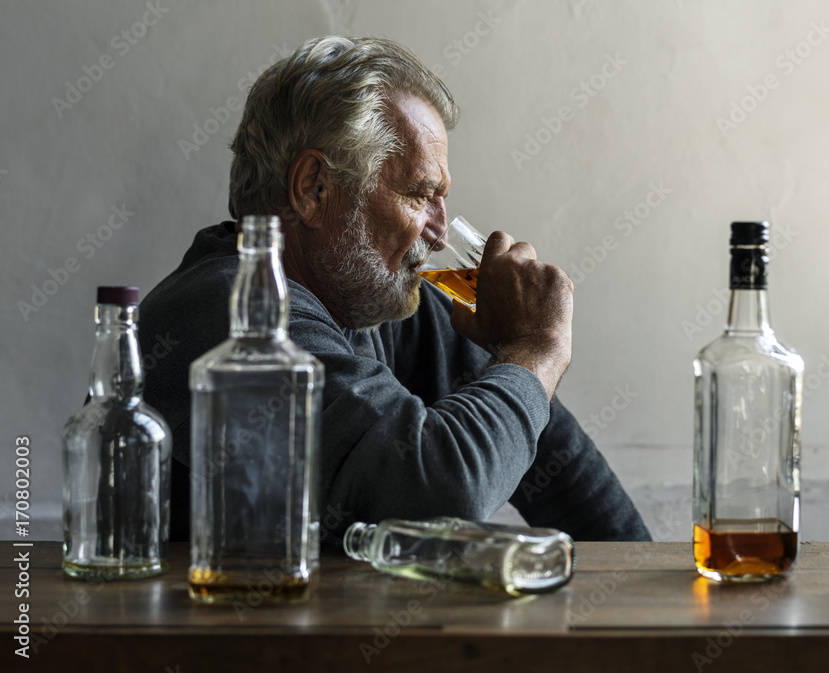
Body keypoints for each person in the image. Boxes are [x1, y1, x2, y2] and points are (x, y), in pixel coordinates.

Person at [140, 36, 651, 544]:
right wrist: (538, 349)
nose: (439, 231)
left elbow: (558, 461)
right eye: (420, 194)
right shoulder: (231, 315)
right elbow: (439, 491)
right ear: (314, 188)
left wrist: (646, 597)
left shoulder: (379, 302)